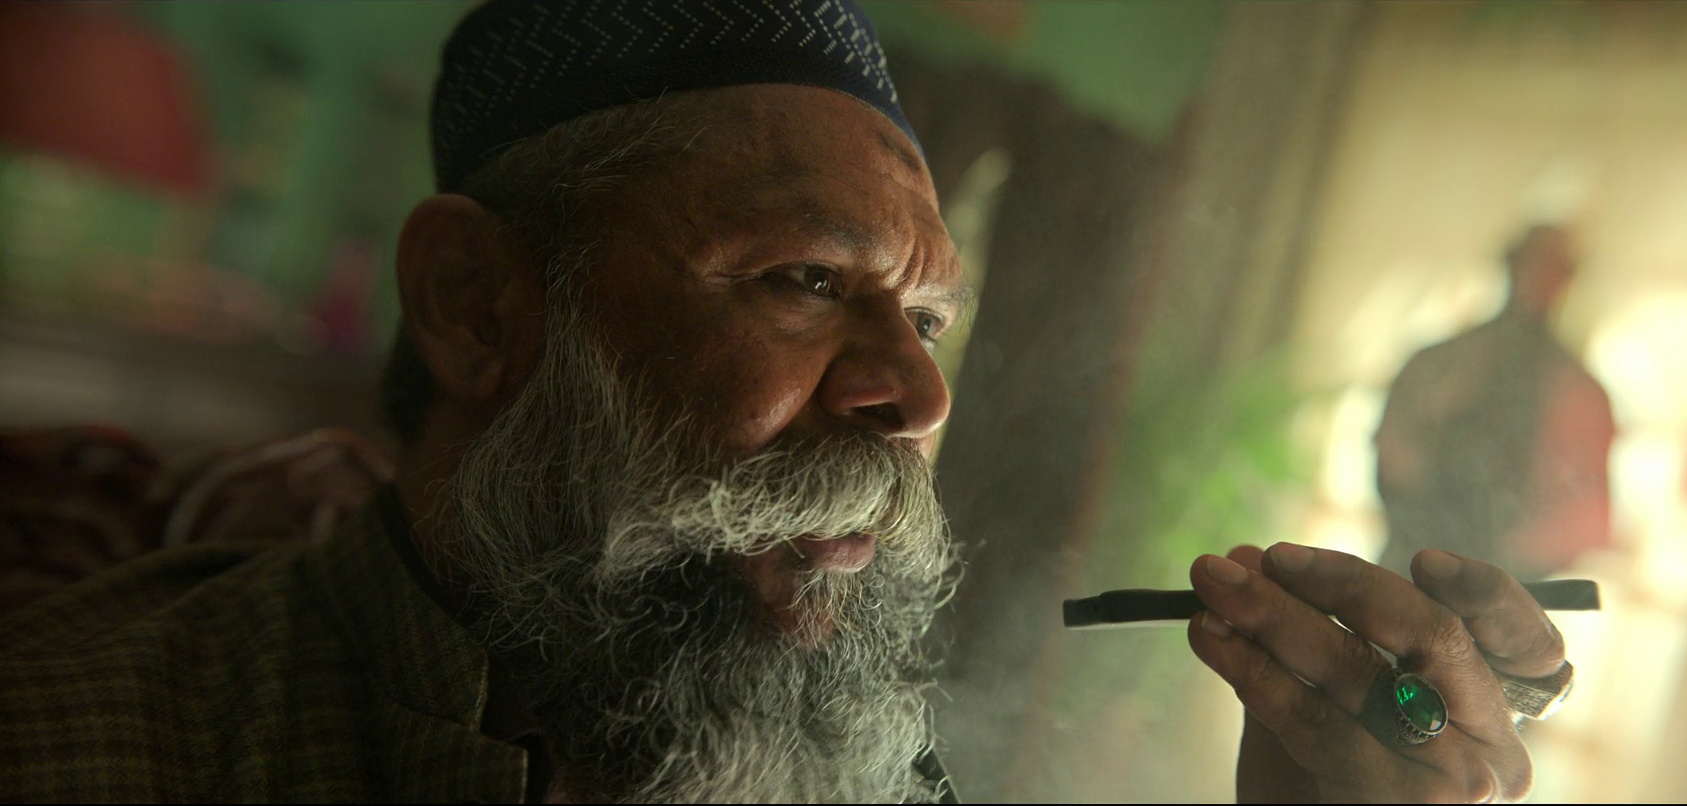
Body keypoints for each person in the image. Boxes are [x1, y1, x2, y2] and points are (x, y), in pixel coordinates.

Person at [0, 2, 1574, 802]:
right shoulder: (82, 744)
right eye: (806, 280)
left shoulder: (849, 764)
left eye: (931, 315)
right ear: (477, 304)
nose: (917, 392)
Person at [1375, 224, 1616, 583]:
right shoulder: (1440, 363)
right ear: (1510, 264)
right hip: (1412, 561)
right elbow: (1393, 452)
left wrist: (1516, 554)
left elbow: (1586, 511)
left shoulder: (1580, 393)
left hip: (1505, 584)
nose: (1538, 278)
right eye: (1532, 263)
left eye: (1552, 267)